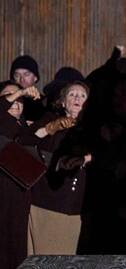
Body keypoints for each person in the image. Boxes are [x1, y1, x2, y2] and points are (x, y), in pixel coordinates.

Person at [19, 81, 92, 255]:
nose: (77, 98)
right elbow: (26, 141)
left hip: (77, 207)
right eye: (72, 94)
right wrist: (51, 128)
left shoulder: (93, 128)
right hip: (48, 202)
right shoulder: (50, 119)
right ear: (63, 102)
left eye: (82, 95)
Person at [0, 82, 40, 269]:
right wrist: (22, 91)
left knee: (17, 252)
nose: (16, 101)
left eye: (20, 99)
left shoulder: (25, 130)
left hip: (20, 201)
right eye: (9, 96)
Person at [10, 55, 45, 121]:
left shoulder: (44, 103)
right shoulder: (8, 99)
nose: (22, 79)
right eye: (17, 75)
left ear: (35, 78)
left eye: (26, 74)